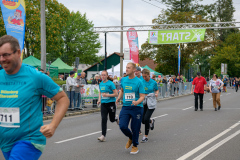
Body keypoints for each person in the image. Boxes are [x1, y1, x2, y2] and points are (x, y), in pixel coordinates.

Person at [0, 35, 69, 160]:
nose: (2, 59)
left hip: (29, 141)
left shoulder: (35, 76)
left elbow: (63, 98)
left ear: (18, 52)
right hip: (5, 143)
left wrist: (53, 125)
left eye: (6, 55)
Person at [116, 62, 145, 154]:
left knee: (135, 128)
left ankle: (135, 146)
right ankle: (131, 137)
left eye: (128, 68)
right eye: (126, 67)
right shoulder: (123, 80)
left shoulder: (139, 82)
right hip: (126, 107)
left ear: (134, 70)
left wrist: (137, 102)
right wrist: (118, 98)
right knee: (122, 126)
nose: (126, 69)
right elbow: (122, 90)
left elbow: (142, 96)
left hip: (137, 107)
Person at [97, 71, 119, 142]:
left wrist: (107, 95)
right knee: (103, 119)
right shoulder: (100, 84)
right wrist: (99, 100)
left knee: (111, 119)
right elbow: (100, 92)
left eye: (104, 75)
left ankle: (116, 118)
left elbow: (116, 94)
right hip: (103, 104)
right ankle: (103, 136)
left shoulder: (110, 83)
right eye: (102, 75)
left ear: (107, 76)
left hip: (111, 103)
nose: (103, 76)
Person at [141, 69, 159, 143]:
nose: (144, 78)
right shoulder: (141, 81)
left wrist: (156, 94)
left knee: (146, 118)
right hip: (144, 102)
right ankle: (151, 121)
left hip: (151, 102)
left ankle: (145, 136)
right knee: (143, 120)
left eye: (145, 76)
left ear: (149, 75)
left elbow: (157, 90)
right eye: (143, 76)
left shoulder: (153, 82)